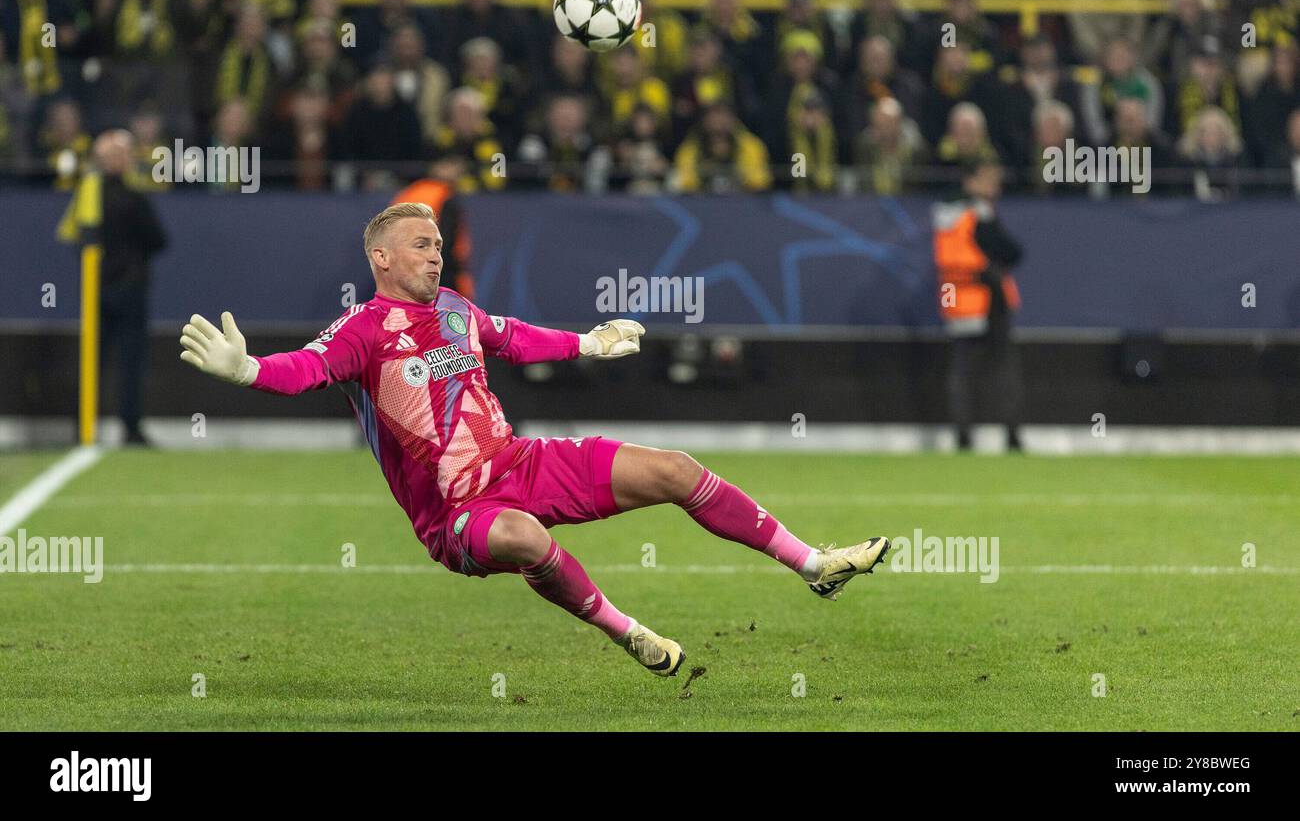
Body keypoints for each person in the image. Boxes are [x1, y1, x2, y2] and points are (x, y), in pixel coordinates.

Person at [177, 203, 889, 676]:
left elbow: (511, 338)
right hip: (458, 513)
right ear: (382, 260)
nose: (435, 254)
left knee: (674, 468)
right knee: (522, 538)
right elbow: (306, 369)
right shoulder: (362, 329)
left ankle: (812, 564)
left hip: (522, 462)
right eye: (421, 246)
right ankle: (626, 631)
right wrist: (245, 370)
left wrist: (587, 342)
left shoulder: (455, 308)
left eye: (438, 243)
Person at [933, 160, 1024, 451]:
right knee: (1002, 368)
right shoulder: (978, 212)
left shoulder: (944, 212)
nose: (995, 188)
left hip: (955, 296)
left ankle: (962, 435)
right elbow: (1010, 251)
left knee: (961, 370)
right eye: (989, 180)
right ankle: (1011, 436)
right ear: (971, 182)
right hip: (986, 295)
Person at [94, 130, 169, 445]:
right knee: (130, 360)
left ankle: (86, 423)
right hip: (129, 287)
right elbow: (158, 240)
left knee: (94, 359)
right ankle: (130, 428)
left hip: (96, 286)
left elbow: (75, 237)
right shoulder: (134, 197)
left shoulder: (90, 195)